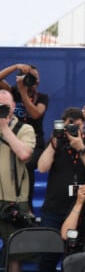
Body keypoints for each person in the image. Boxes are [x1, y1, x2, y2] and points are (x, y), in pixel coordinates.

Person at [37, 108, 85, 230]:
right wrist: (54, 142)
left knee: (78, 247)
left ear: (84, 125)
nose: (74, 129)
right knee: (52, 246)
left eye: (77, 126)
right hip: (54, 207)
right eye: (70, 126)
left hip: (81, 207)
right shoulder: (56, 142)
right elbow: (42, 168)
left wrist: (81, 148)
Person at [0, 63, 49, 211]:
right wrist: (15, 67)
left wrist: (23, 92)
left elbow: (35, 114)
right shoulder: (12, 92)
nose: (33, 81)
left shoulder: (42, 97)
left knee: (26, 165)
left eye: (35, 78)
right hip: (12, 136)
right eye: (29, 77)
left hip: (35, 141)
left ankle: (27, 207)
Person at [0, 89, 36, 258]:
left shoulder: (25, 129)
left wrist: (5, 129)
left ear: (14, 107)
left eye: (5, 106)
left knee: (15, 253)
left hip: (13, 201)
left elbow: (25, 154)